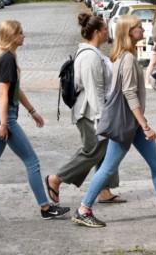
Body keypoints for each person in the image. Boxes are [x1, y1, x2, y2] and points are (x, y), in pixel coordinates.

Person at [72, 15, 156, 228]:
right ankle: (83, 209)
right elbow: (129, 94)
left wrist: (141, 122)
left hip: (132, 123)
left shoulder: (123, 55)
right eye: (138, 27)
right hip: (129, 124)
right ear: (129, 32)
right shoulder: (128, 59)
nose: (142, 29)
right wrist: (145, 125)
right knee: (108, 168)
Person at [0, 20, 70, 221]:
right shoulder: (8, 59)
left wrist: (32, 110)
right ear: (12, 36)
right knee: (32, 161)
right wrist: (3, 123)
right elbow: (3, 94)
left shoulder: (3, 58)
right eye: (20, 33)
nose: (24, 36)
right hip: (4, 117)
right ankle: (46, 208)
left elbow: (14, 90)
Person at [45, 14, 125, 205]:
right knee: (92, 151)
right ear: (97, 32)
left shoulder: (94, 53)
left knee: (104, 150)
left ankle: (104, 190)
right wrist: (102, 119)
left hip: (92, 110)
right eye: (105, 29)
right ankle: (56, 179)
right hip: (88, 113)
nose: (108, 31)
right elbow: (94, 91)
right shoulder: (90, 56)